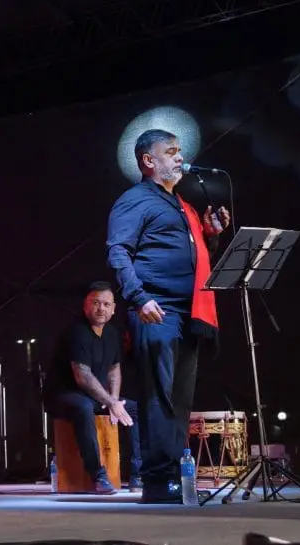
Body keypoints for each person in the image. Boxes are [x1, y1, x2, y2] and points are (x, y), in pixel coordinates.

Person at [106, 128, 229, 504]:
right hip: (156, 309)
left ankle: (175, 474)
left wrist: (212, 236)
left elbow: (194, 256)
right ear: (148, 161)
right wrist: (139, 297)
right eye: (170, 151)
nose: (179, 157)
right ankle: (158, 480)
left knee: (179, 398)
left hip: (190, 312)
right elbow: (118, 252)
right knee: (158, 397)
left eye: (179, 151)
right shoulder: (134, 200)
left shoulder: (182, 205)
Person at [44, 282, 141, 494]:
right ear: (85, 305)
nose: (101, 309)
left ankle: (137, 474)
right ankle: (97, 475)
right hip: (63, 394)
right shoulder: (76, 332)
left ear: (114, 309)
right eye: (96, 303)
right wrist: (110, 402)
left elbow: (114, 369)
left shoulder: (112, 333)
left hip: (96, 396)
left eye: (106, 304)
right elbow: (83, 376)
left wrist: (115, 401)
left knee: (134, 409)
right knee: (83, 407)